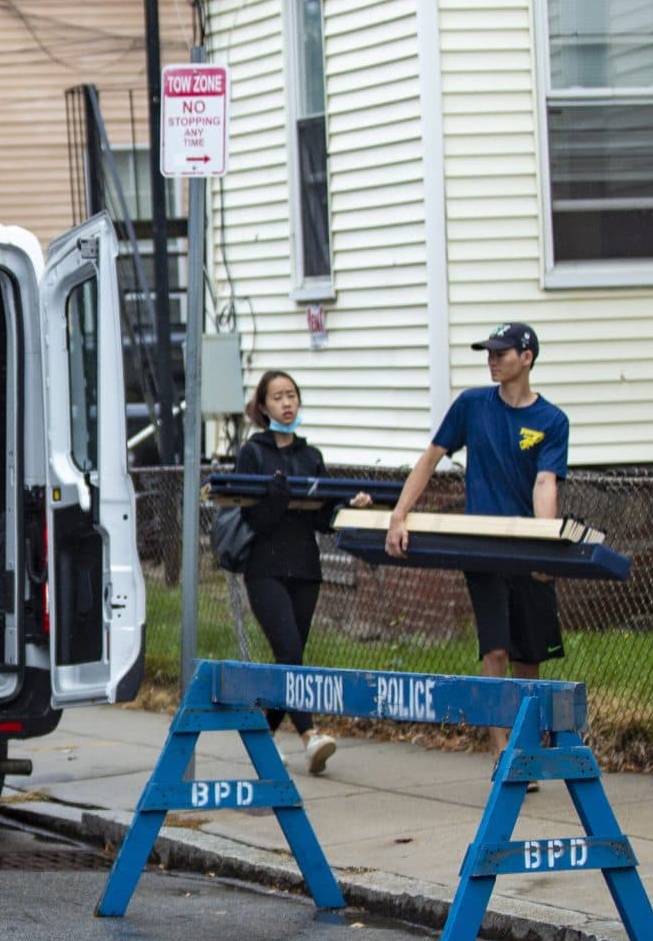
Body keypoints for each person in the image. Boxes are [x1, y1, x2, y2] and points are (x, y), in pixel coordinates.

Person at [387, 321, 569, 761]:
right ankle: (500, 747)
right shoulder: (471, 405)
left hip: (526, 548)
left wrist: (544, 543)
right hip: (482, 547)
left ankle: (526, 743)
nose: (491, 360)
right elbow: (431, 458)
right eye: (488, 353)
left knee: (529, 655)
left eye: (501, 353)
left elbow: (545, 482)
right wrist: (399, 515)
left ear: (526, 358)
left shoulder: (551, 420)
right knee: (496, 648)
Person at [233, 371, 371, 775]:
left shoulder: (310, 456)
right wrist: (278, 499)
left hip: (306, 569)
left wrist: (349, 506)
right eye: (277, 397)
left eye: (291, 395)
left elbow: (323, 519)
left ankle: (261, 734)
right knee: (291, 653)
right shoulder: (253, 453)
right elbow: (253, 517)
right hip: (265, 570)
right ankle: (310, 736)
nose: (286, 403)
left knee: (287, 660)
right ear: (263, 407)